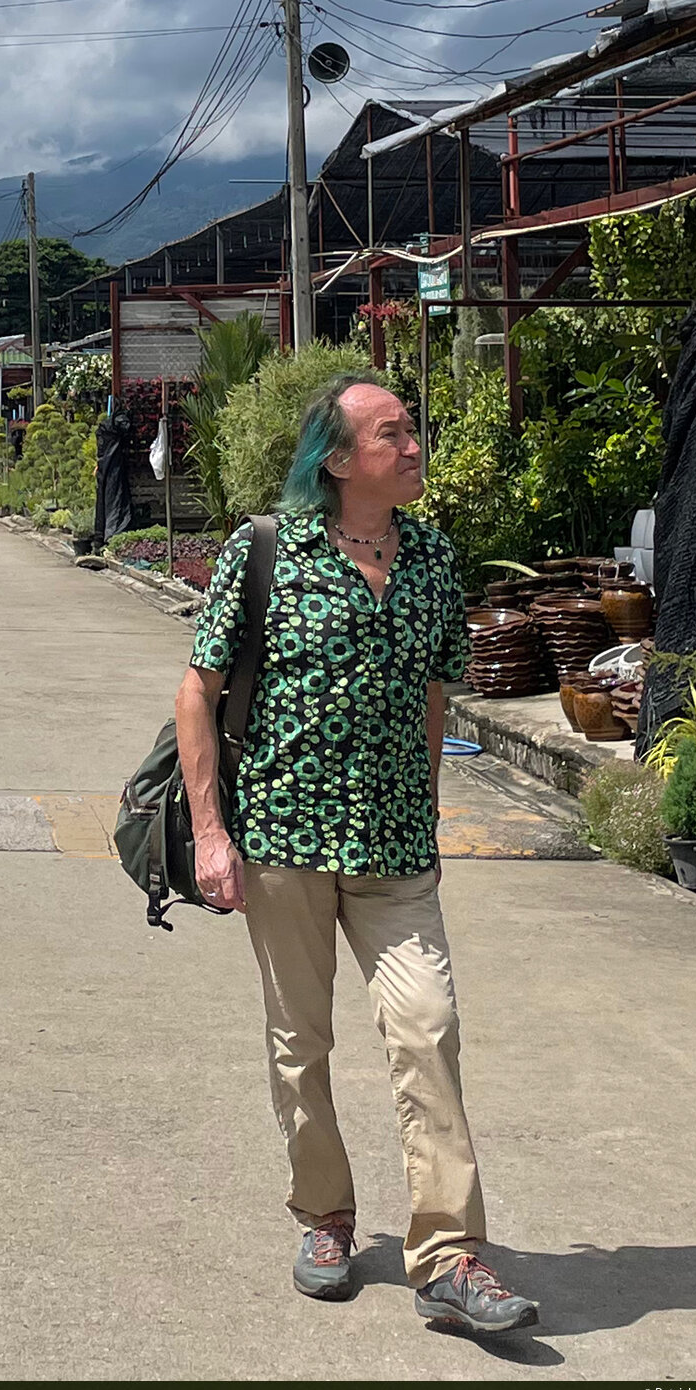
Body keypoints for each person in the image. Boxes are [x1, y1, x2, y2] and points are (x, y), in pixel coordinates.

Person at [176, 373, 538, 1335]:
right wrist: (211, 835)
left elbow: (432, 697)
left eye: (413, 430)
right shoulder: (266, 550)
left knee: (428, 1028)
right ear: (337, 460)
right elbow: (196, 693)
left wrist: (428, 809)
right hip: (283, 841)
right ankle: (325, 1218)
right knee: (302, 1043)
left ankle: (450, 1255)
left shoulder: (432, 558)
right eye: (392, 433)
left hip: (394, 849)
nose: (414, 446)